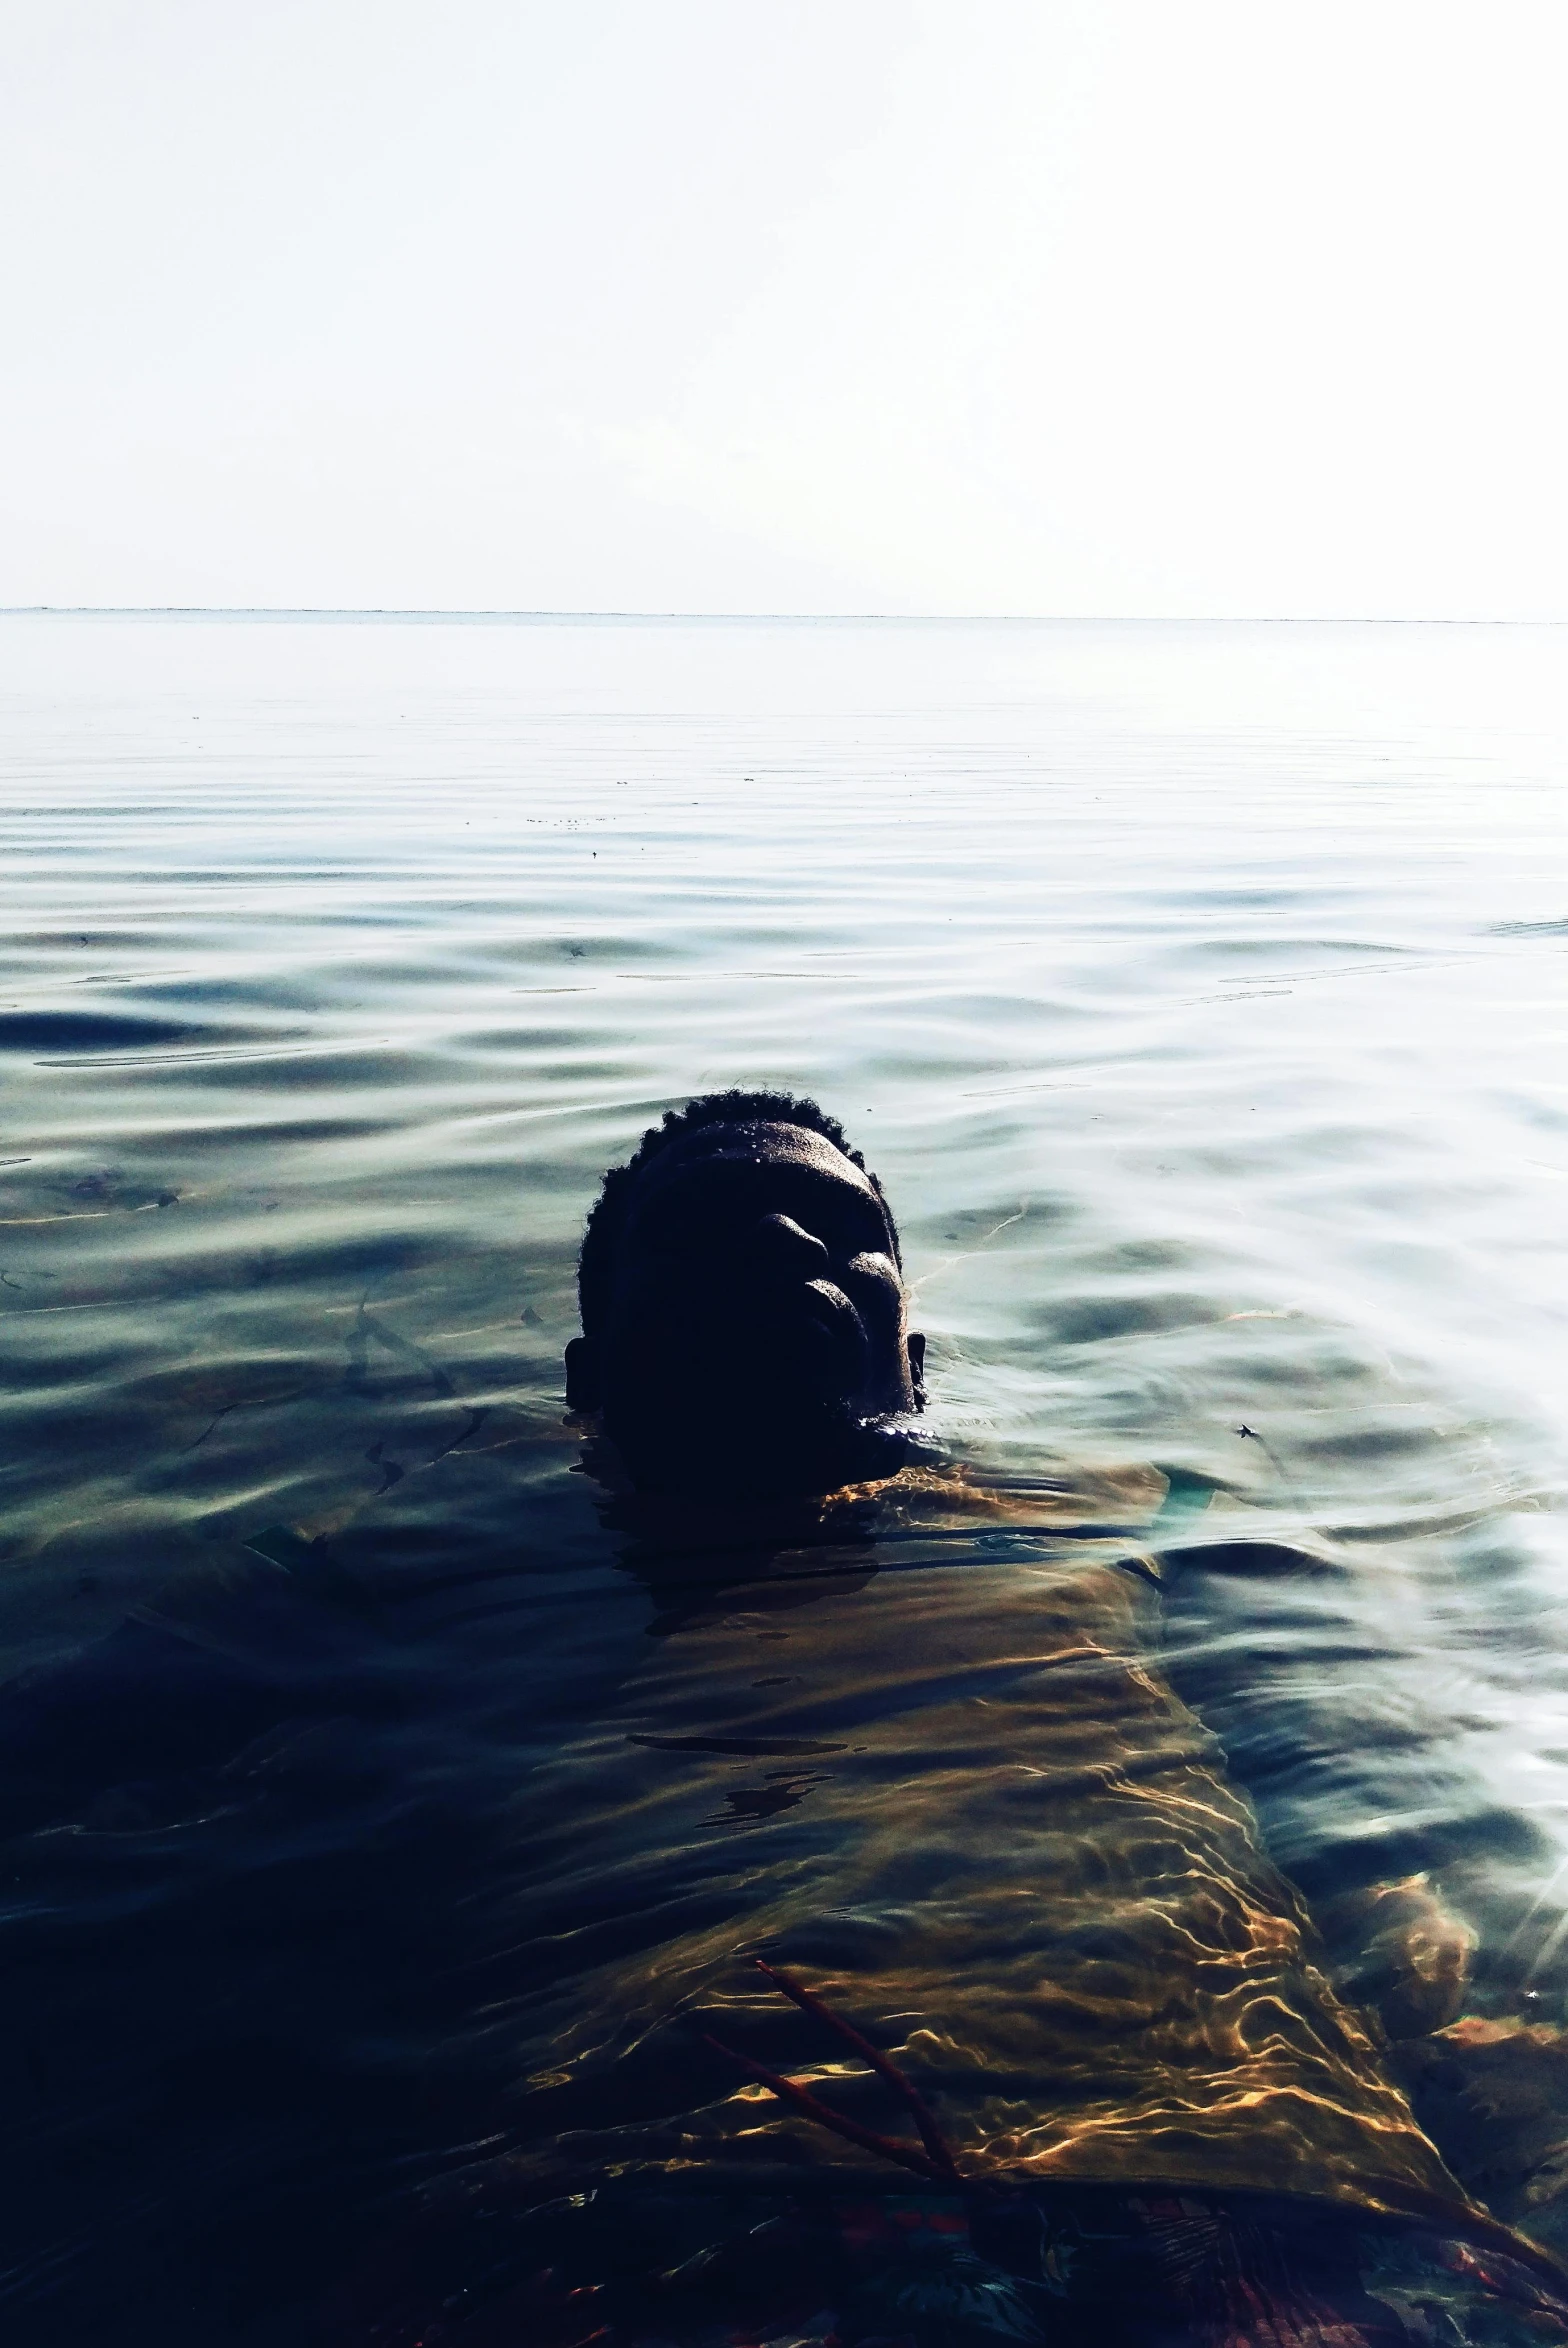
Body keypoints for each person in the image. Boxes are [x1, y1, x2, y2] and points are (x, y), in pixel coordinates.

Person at [531, 1092, 1568, 2347]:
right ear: (590, 1380)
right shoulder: (409, 1592)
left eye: (838, 1227)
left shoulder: (1106, 1519)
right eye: (708, 1228)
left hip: (1271, 2185)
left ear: (912, 1361)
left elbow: (1364, 1788)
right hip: (706, 2220)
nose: (786, 1245)